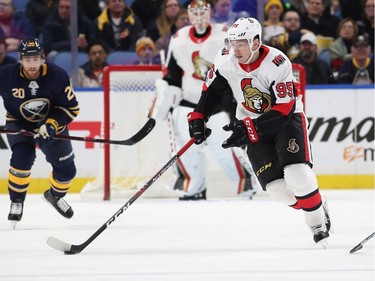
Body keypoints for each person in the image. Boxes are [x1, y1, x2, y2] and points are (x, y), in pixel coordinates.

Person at [187, 17, 332, 245]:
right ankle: (316, 202)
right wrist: (198, 116)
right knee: (277, 191)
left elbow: (284, 108)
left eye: (241, 43)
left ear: (256, 42)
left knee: (297, 175)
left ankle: (316, 222)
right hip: (251, 121)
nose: (235, 49)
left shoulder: (277, 62)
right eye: (233, 43)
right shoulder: (225, 59)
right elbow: (212, 90)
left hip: (286, 120)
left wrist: (249, 129)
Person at [149, 0, 259, 200]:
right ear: (188, 15)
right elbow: (172, 75)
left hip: (216, 104)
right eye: (195, 13)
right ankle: (193, 187)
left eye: (203, 12)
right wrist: (166, 95)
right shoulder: (178, 38)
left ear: (209, 12)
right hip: (188, 103)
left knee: (225, 148)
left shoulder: (224, 35)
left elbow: (236, 67)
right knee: (186, 149)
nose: (199, 17)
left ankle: (245, 184)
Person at [0, 38, 80, 226]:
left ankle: (55, 195)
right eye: (28, 60)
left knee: (67, 170)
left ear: (43, 59)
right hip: (19, 122)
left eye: (36, 59)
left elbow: (71, 108)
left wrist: (51, 124)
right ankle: (17, 201)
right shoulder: (5, 75)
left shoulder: (57, 76)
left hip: (49, 125)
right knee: (22, 159)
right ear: (20, 60)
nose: (32, 64)